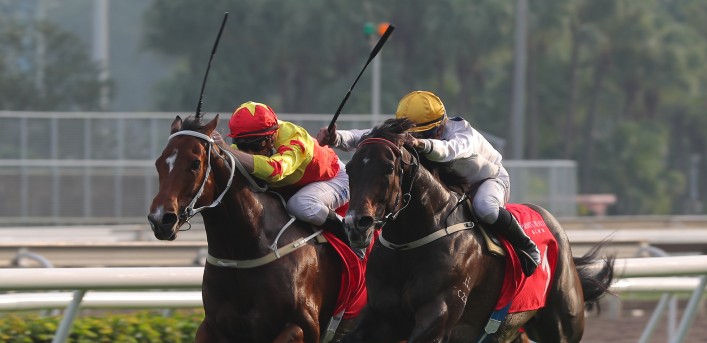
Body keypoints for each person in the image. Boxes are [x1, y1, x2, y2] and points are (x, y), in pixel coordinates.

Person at [317, 90, 541, 276]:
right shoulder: (416, 132)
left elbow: (448, 151)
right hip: (449, 184)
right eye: (410, 133)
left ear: (440, 127)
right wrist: (336, 138)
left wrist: (421, 144)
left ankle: (526, 246)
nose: (413, 138)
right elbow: (366, 135)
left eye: (423, 133)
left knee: (485, 208)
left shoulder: (462, 135)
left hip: (486, 181)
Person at [212, 101, 355, 250]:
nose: (248, 152)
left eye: (254, 146)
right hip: (296, 185)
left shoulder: (294, 138)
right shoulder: (249, 141)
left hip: (334, 179)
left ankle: (351, 233)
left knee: (300, 204)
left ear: (271, 137)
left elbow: (275, 171)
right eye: (241, 145)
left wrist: (227, 149)